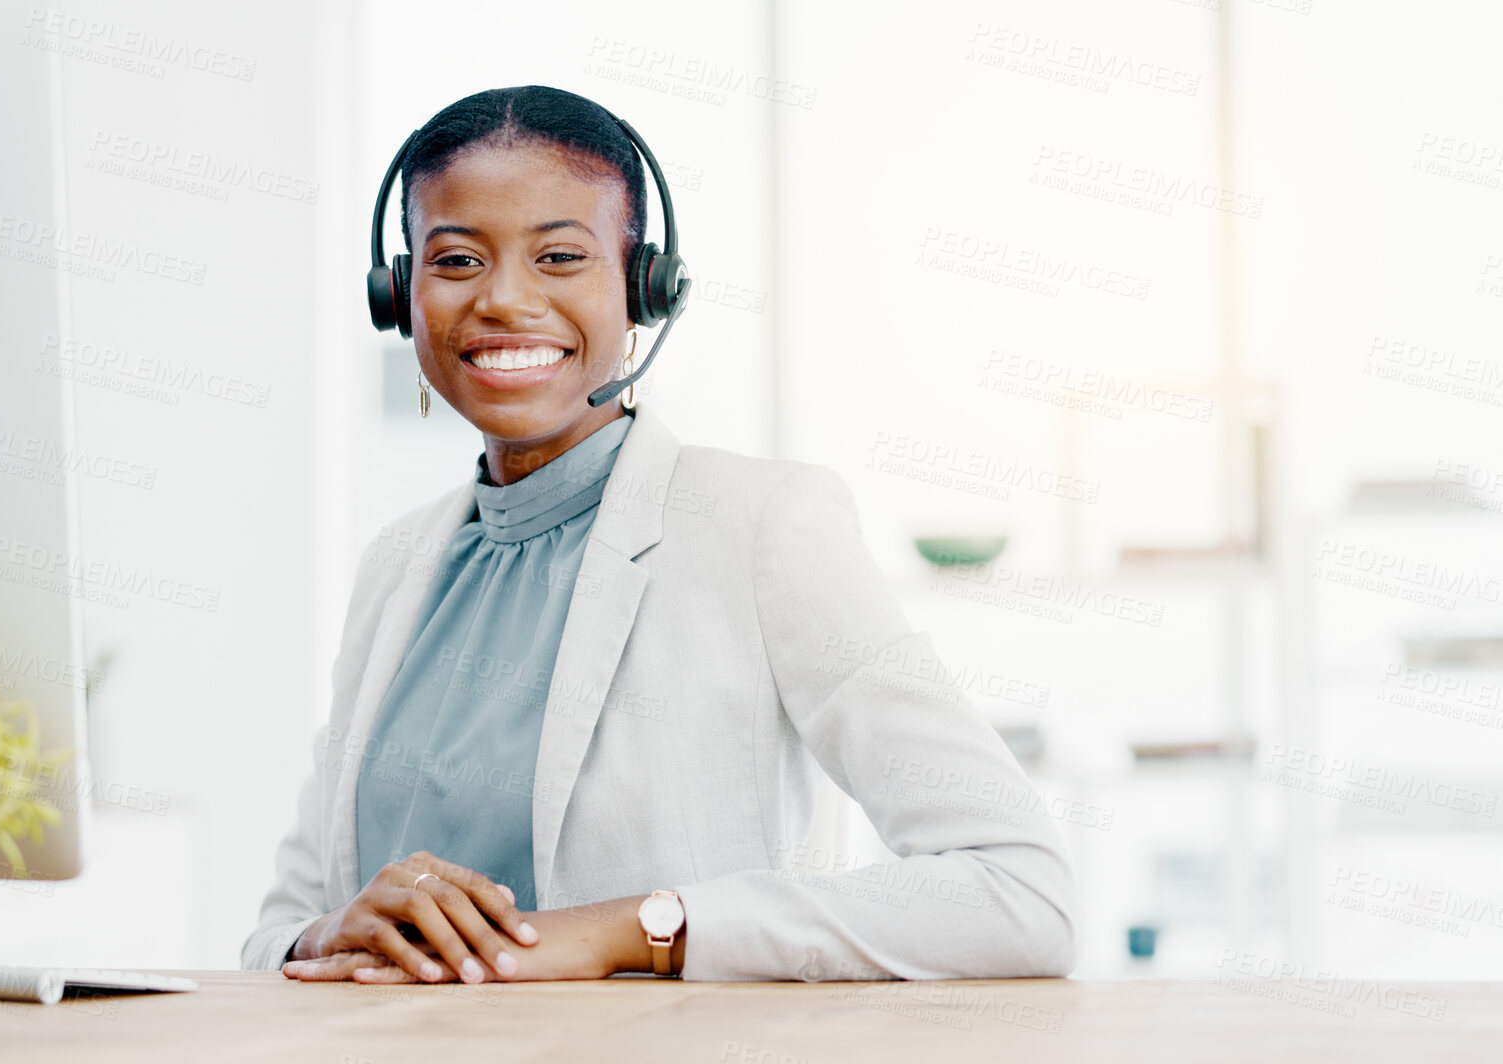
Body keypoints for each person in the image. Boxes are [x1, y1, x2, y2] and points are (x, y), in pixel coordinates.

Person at [241, 85, 1075, 984]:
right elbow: (277, 928)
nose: (504, 300)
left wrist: (630, 930)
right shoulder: (397, 566)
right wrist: (328, 933)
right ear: (398, 295)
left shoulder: (761, 529)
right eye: (455, 261)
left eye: (560, 255)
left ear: (645, 288)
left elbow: (1019, 895)